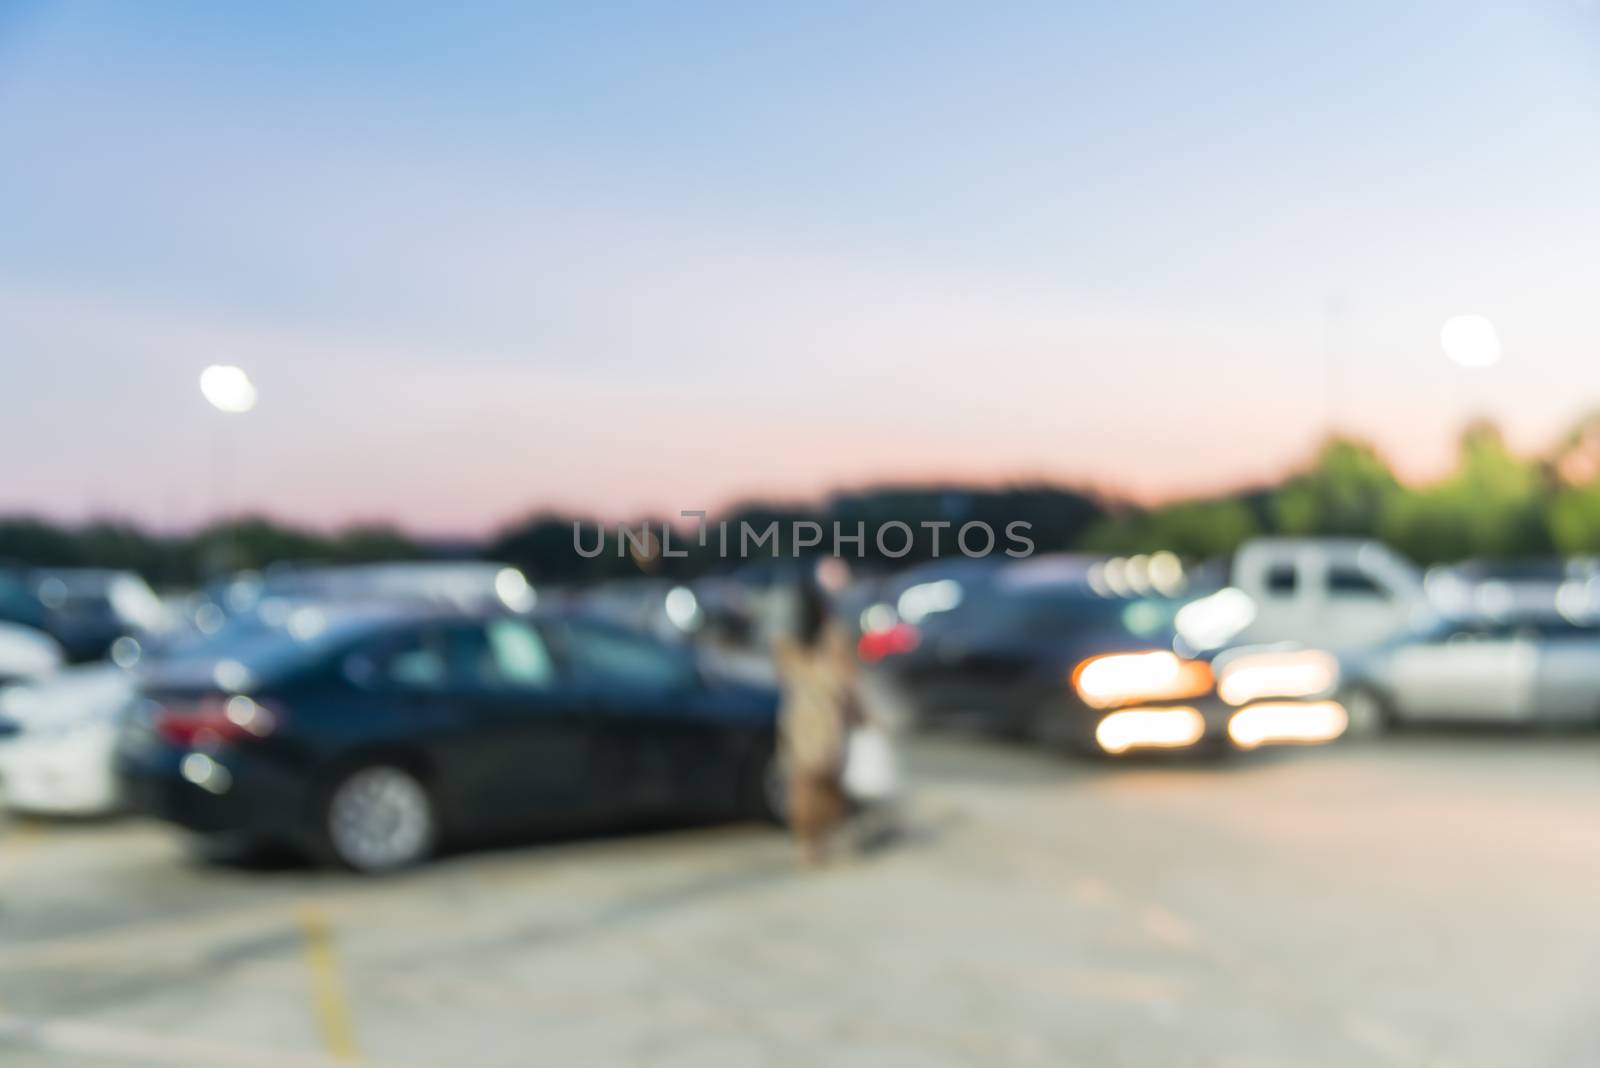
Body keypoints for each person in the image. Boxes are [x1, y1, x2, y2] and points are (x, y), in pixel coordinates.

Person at [771, 573, 856, 866]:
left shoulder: (785, 642)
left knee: (801, 783)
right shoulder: (836, 637)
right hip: (828, 715)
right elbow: (848, 683)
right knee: (830, 782)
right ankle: (830, 837)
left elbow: (782, 680)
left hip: (798, 717)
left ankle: (807, 844)